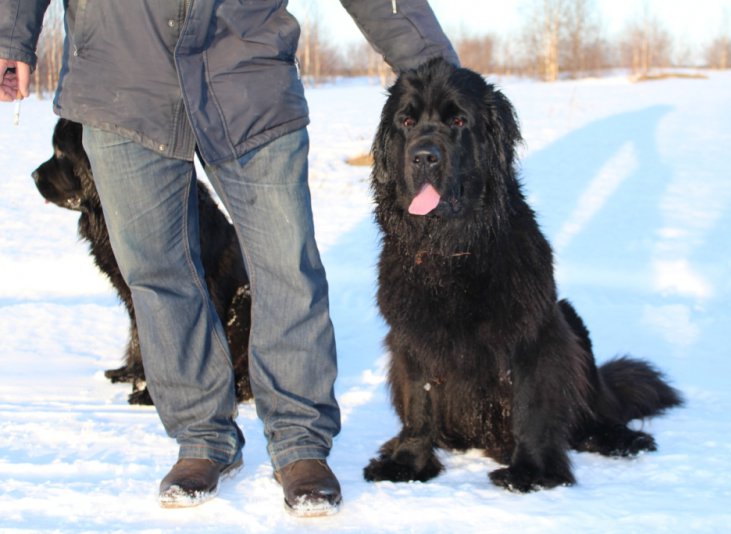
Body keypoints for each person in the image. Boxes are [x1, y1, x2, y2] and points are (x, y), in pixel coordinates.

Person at [0, 0, 458, 517]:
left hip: (246, 72)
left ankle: (301, 442)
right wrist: (10, 34)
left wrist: (432, 65)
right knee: (158, 272)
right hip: (119, 75)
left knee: (287, 265)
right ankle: (201, 437)